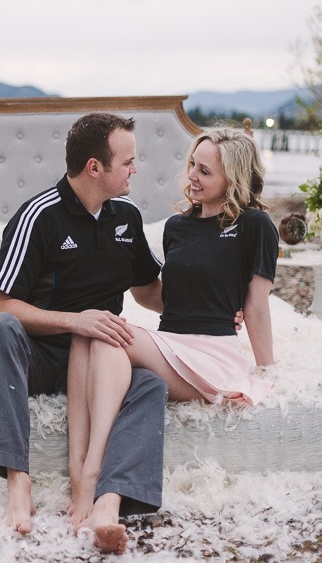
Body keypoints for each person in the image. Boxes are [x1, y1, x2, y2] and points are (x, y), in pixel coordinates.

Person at [66, 127, 279, 541]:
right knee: (88, 330)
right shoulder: (178, 227)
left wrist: (268, 369)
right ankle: (92, 484)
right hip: (172, 343)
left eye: (205, 171)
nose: (192, 177)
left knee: (109, 334)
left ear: (233, 178)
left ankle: (89, 475)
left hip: (212, 352)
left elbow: (256, 305)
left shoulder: (256, 226)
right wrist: (112, 264)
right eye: (191, 166)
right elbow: (164, 297)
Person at [0, 112, 168, 554]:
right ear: (94, 168)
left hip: (103, 359)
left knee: (152, 386)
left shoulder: (127, 215)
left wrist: (207, 299)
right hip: (40, 357)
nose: (135, 169)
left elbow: (148, 292)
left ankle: (107, 498)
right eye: (128, 161)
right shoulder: (39, 216)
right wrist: (75, 319)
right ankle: (18, 483)